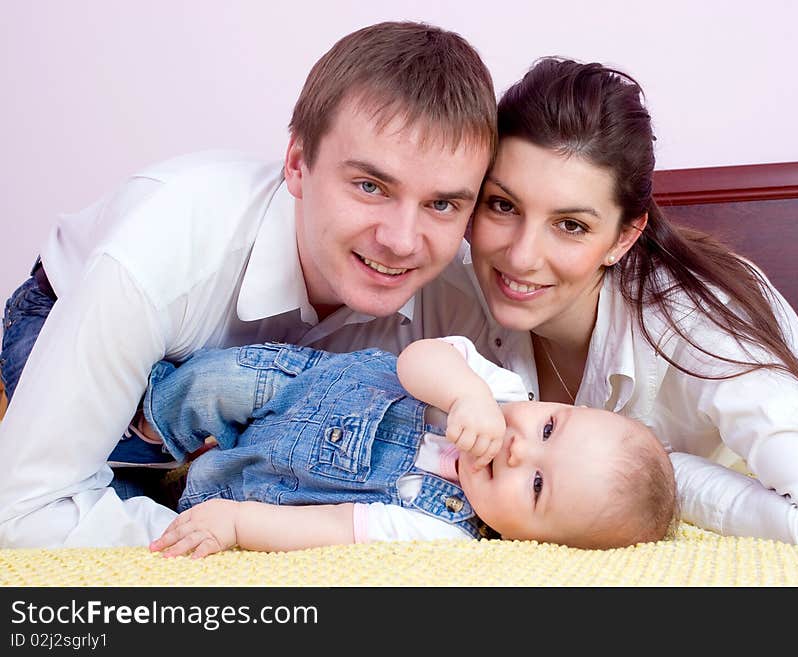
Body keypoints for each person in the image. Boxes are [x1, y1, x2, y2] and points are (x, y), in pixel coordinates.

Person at [0, 21, 497, 548]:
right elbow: (23, 511)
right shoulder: (165, 245)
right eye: (370, 186)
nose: (401, 241)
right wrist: (242, 544)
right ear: (298, 164)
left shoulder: (460, 301)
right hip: (75, 320)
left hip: (275, 408)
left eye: (442, 204)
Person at [458, 58, 798, 552]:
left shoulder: (699, 328)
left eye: (571, 225)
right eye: (503, 206)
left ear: (623, 237)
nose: (522, 256)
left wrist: (658, 469)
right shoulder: (454, 279)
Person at [133, 336, 675, 557]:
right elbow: (418, 357)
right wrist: (466, 396)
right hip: (296, 385)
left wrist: (236, 524)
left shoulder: (442, 528)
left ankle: (163, 477)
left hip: (271, 474)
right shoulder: (498, 391)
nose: (518, 449)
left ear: (529, 541)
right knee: (213, 383)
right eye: (550, 429)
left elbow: (333, 526)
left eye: (537, 485)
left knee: (199, 499)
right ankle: (149, 423)